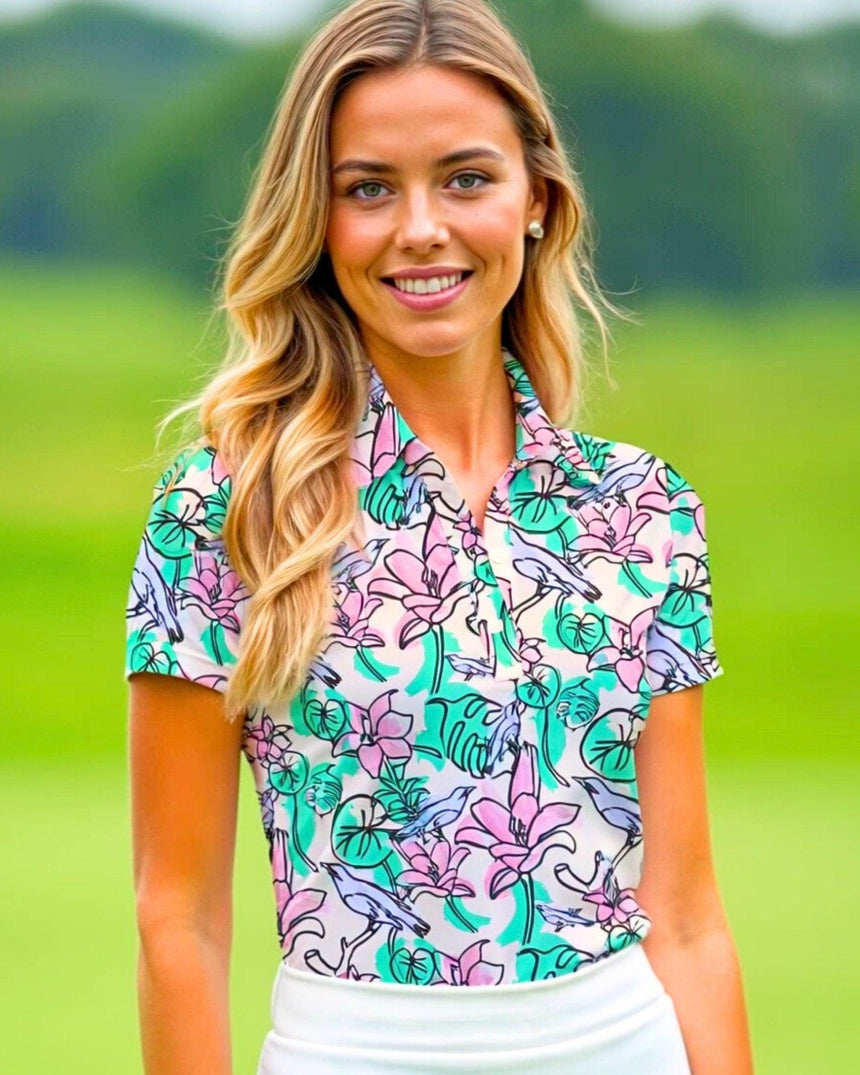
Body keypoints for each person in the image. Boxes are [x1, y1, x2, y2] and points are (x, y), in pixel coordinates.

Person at [125, 0, 754, 1072]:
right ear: (314, 223)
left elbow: (687, 915)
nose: (420, 227)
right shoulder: (223, 512)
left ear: (536, 202)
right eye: (367, 188)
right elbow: (176, 917)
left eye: (465, 178)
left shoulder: (642, 511)